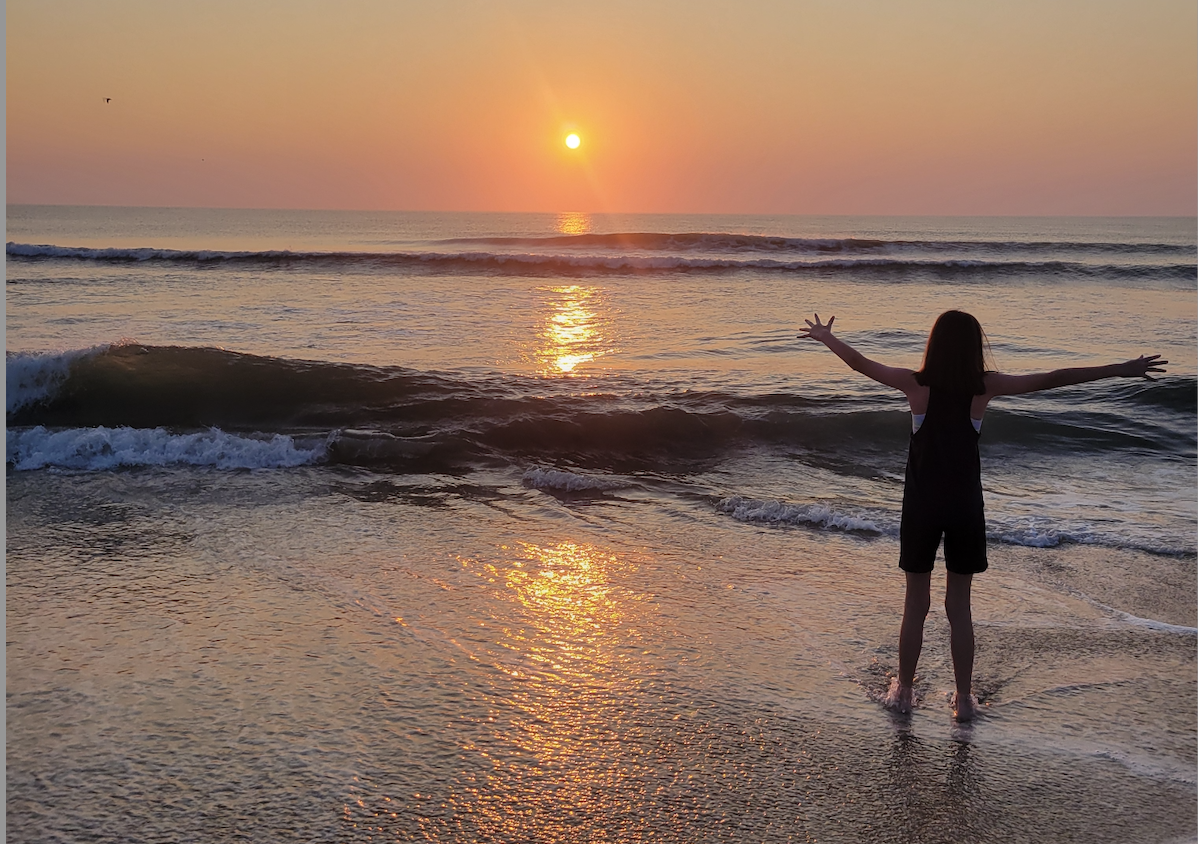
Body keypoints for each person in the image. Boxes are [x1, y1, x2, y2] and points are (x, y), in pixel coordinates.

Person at [800, 310, 1166, 721]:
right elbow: (1052, 377)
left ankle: (903, 692)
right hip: (964, 508)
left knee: (914, 604)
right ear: (975, 347)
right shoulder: (984, 388)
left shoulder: (914, 384)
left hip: (921, 507)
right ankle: (963, 700)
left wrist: (826, 337)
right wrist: (1122, 369)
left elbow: (860, 363)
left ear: (933, 344)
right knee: (960, 607)